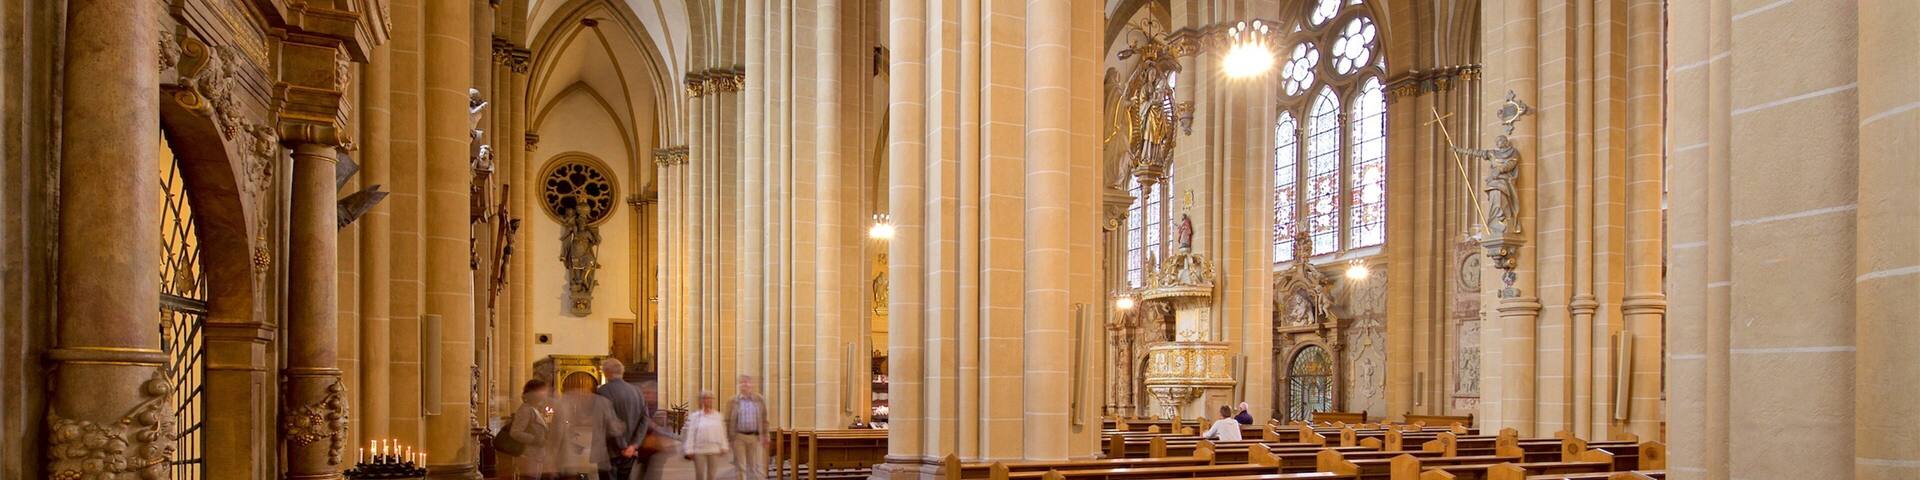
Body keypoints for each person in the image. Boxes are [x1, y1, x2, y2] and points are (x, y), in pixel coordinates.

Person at [550, 372, 625, 479]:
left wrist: (553, 458)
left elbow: (557, 434)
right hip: (590, 457)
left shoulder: (563, 403)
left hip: (573, 458)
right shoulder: (602, 402)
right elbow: (614, 429)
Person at [595, 358, 649, 480]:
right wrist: (634, 445)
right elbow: (645, 420)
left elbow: (610, 422)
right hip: (630, 452)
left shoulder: (603, 391)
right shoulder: (637, 391)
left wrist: (623, 446)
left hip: (609, 451)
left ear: (607, 372)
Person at [508, 379, 556, 480]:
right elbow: (515, 432)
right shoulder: (526, 410)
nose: (545, 394)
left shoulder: (535, 409)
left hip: (537, 455)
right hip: (529, 456)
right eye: (542, 391)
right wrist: (535, 439)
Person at [726, 375, 771, 480]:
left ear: (751, 385)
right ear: (739, 385)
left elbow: (764, 419)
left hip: (755, 437)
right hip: (738, 437)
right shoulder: (732, 401)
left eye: (747, 382)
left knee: (755, 466)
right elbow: (727, 421)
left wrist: (766, 435)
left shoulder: (759, 399)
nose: (744, 385)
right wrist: (728, 439)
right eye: (742, 382)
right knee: (740, 467)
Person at [682, 392, 731, 480]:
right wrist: (689, 449)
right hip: (699, 449)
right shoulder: (695, 416)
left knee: (712, 475)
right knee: (700, 474)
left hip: (714, 449)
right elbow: (691, 433)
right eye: (705, 398)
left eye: (710, 398)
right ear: (701, 401)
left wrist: (724, 446)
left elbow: (722, 432)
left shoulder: (718, 416)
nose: (707, 400)